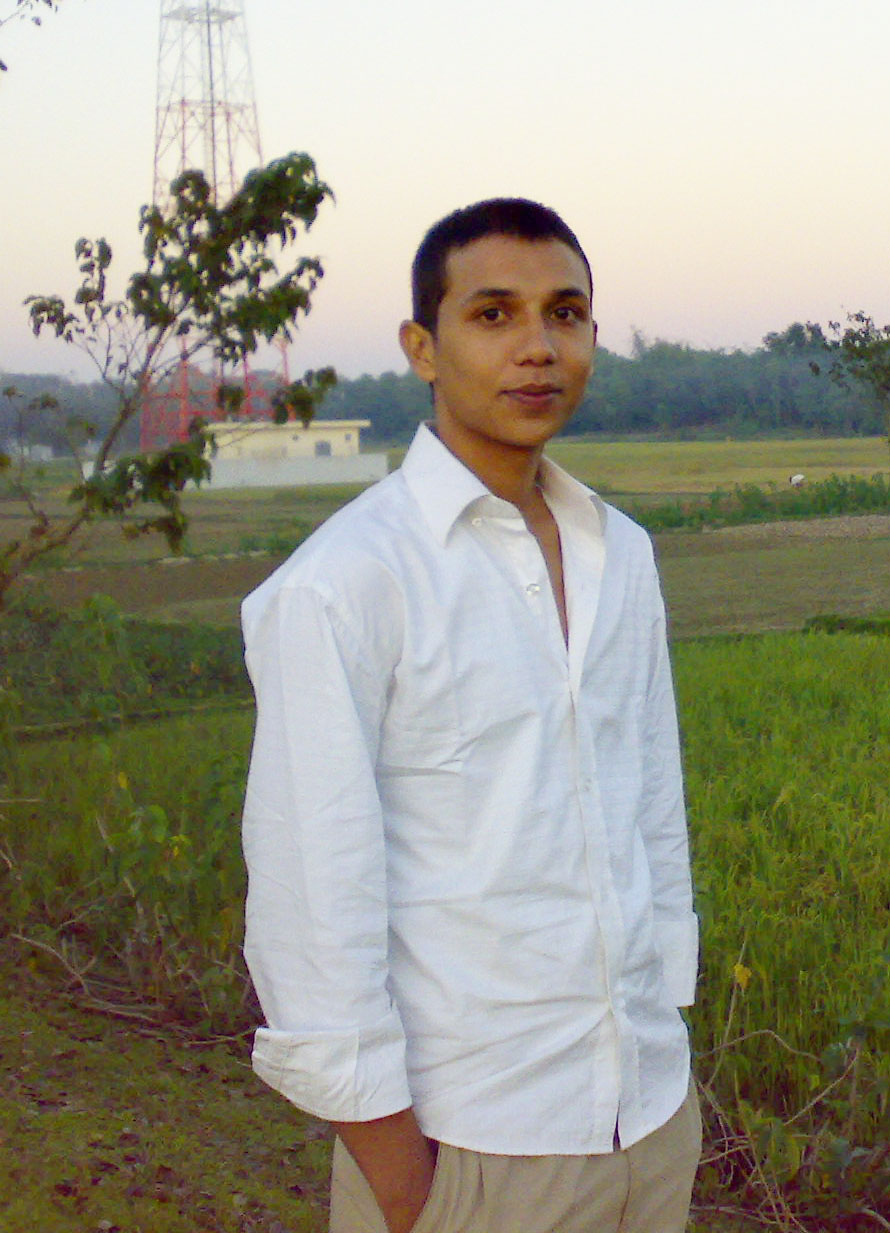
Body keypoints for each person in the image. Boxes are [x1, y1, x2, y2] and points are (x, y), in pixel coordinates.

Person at [240, 198, 700, 1233]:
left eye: (565, 314)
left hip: (649, 1116)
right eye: (493, 315)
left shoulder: (620, 554)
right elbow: (311, 897)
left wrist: (665, 1015)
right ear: (423, 347)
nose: (539, 347)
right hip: (473, 1146)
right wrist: (408, 1187)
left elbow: (649, 804)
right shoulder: (345, 584)